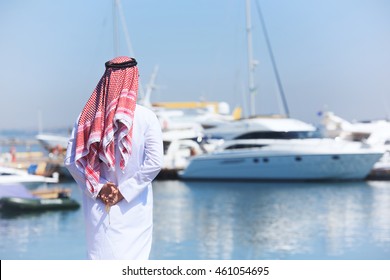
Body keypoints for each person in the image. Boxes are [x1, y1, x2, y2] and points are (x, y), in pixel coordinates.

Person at [64, 56, 164, 260]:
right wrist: (124, 191)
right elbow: (155, 162)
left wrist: (100, 187)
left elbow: (72, 161)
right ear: (134, 79)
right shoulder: (146, 117)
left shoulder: (86, 118)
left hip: (99, 205)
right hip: (134, 207)